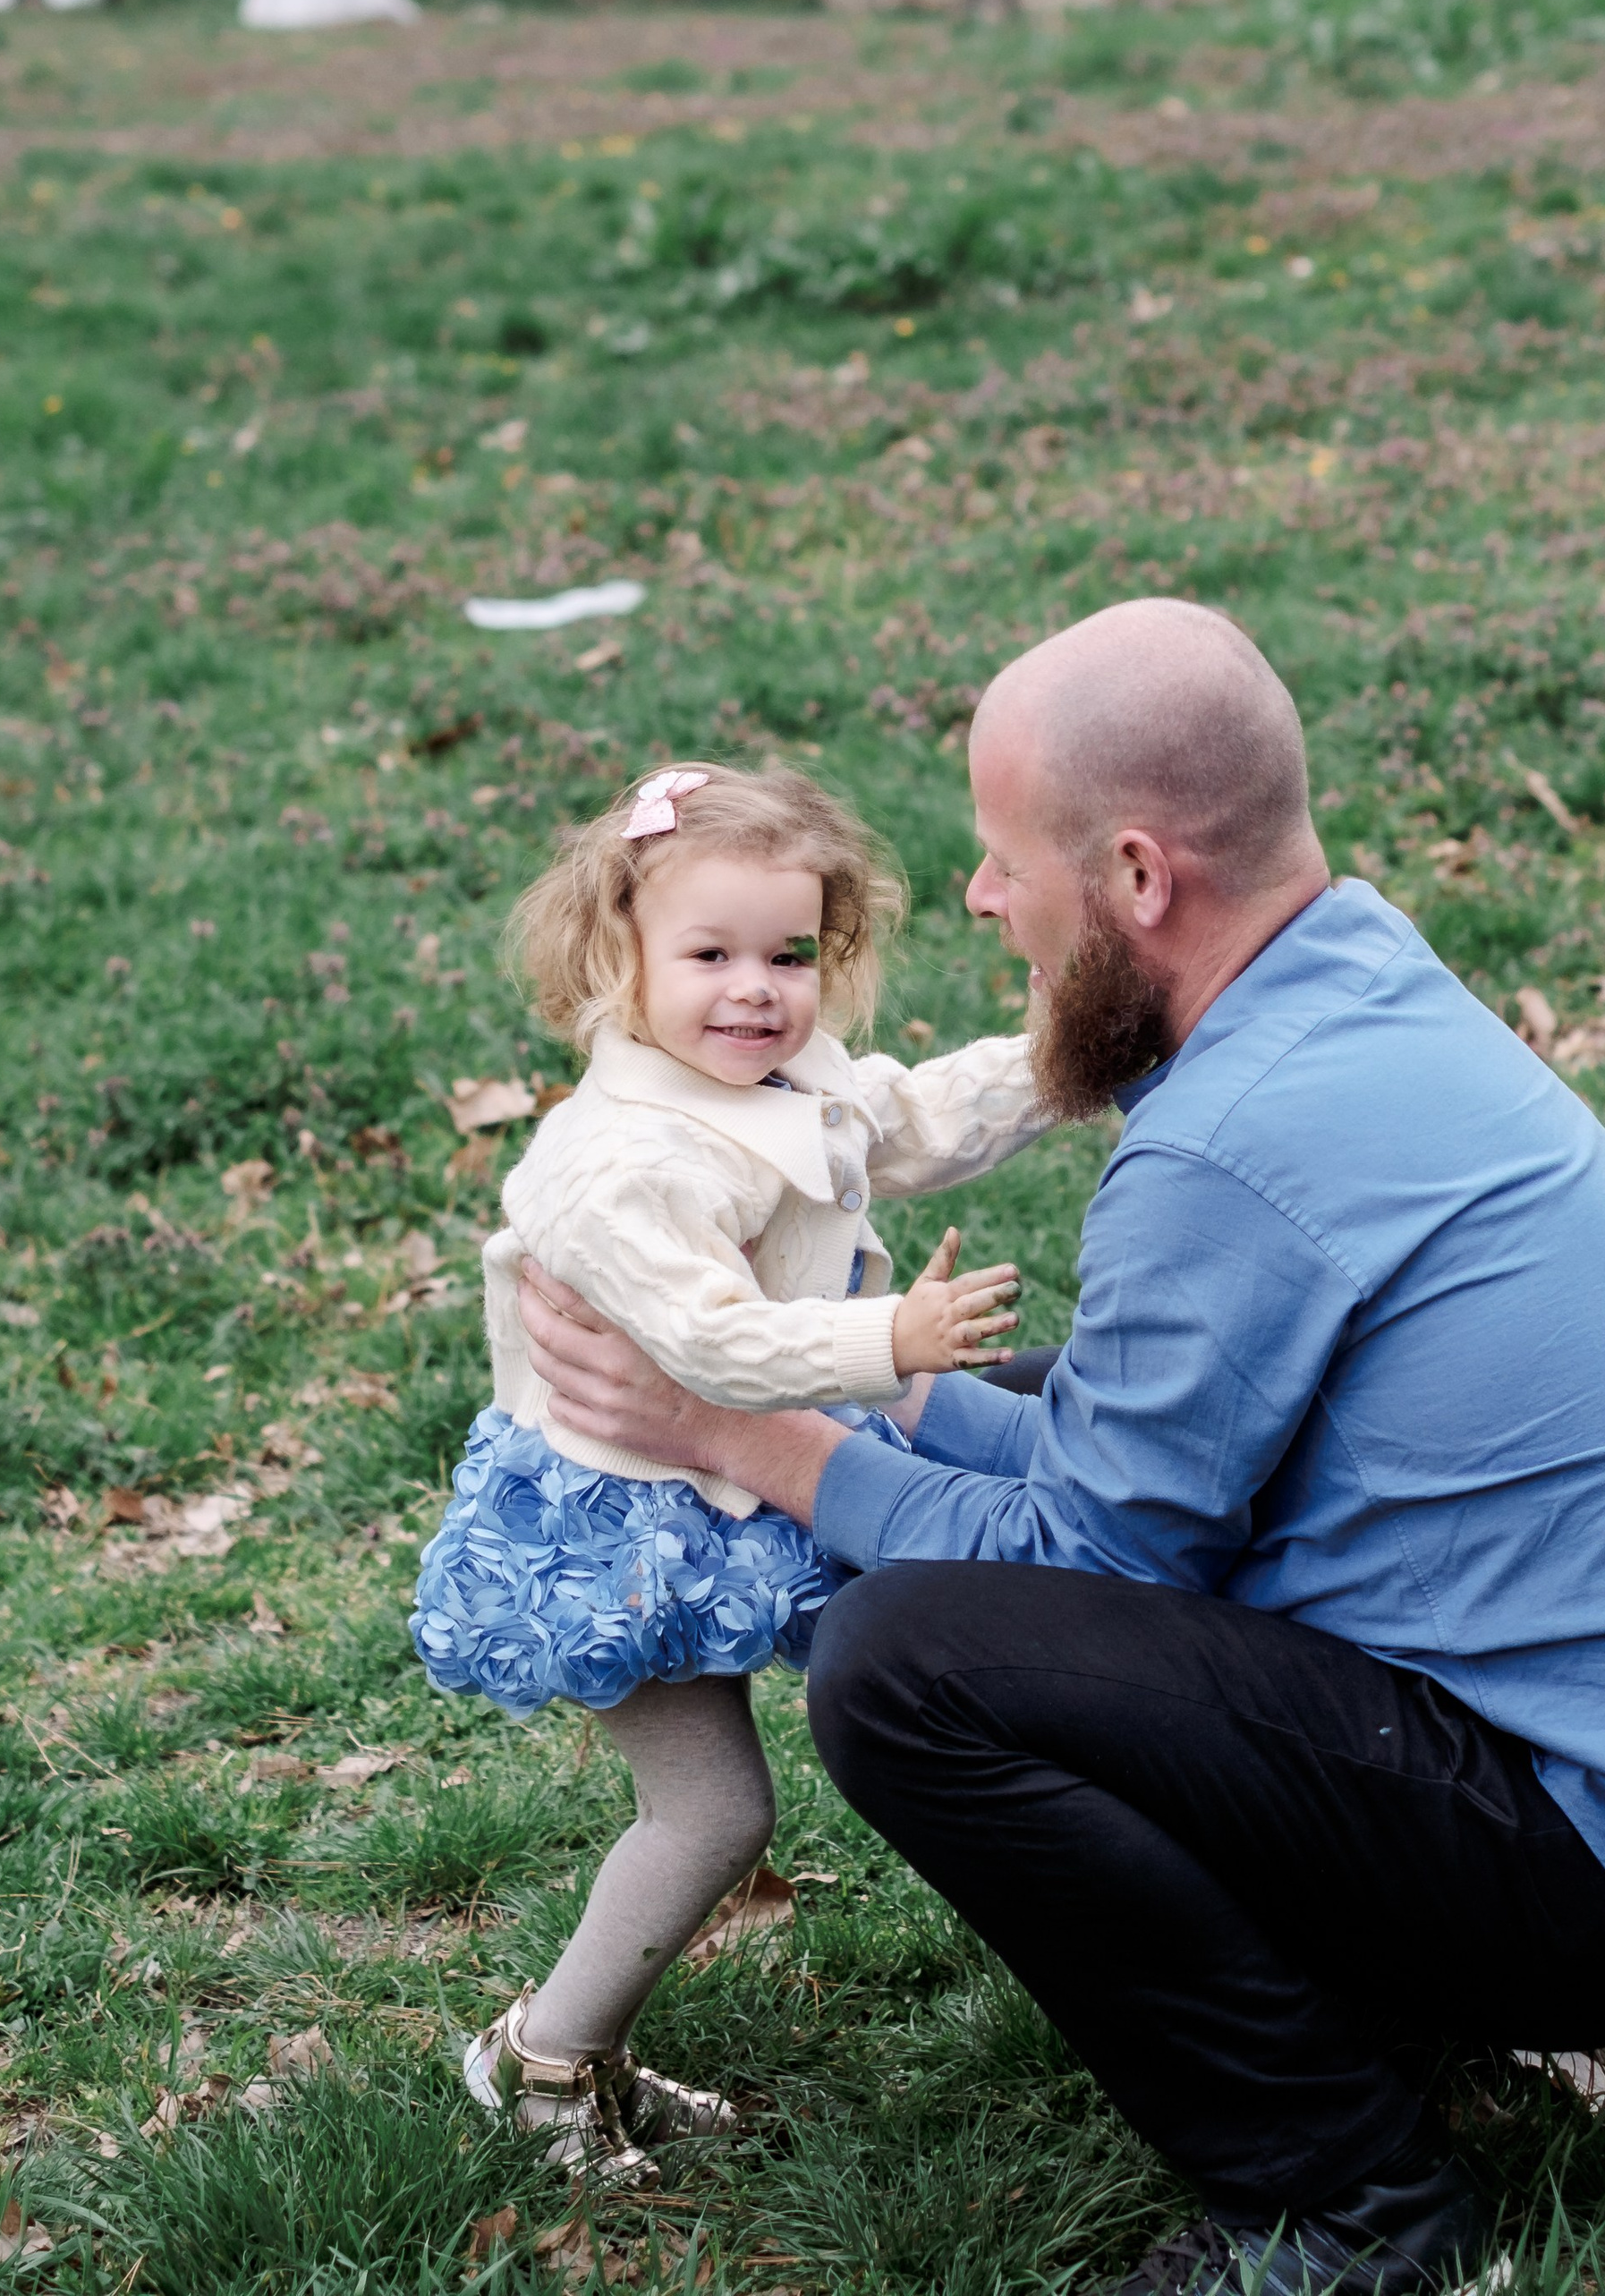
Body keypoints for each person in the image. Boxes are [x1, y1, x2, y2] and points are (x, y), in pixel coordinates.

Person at [516, 602, 1605, 2296]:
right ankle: (1410, 2029)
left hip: (1600, 1861)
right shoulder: (1352, 984)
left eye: (1009, 863)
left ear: (1138, 876)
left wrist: (739, 1436)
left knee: (906, 1662)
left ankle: (1352, 2218)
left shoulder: (1229, 1146)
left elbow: (1088, 1564)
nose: (987, 902)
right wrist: (884, 1393)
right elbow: (1134, 1451)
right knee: (1025, 1486)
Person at [411, 758, 1046, 2187]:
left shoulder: (769, 1074)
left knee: (792, 1757)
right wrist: (893, 1336)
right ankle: (541, 2063)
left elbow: (913, 1113)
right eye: (709, 954)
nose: (755, 990)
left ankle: (576, 2051)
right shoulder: (625, 1161)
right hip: (621, 1522)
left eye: (791, 954)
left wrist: (1071, 1059)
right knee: (712, 1812)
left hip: (714, 1492)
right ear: (616, 956)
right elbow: (707, 1338)